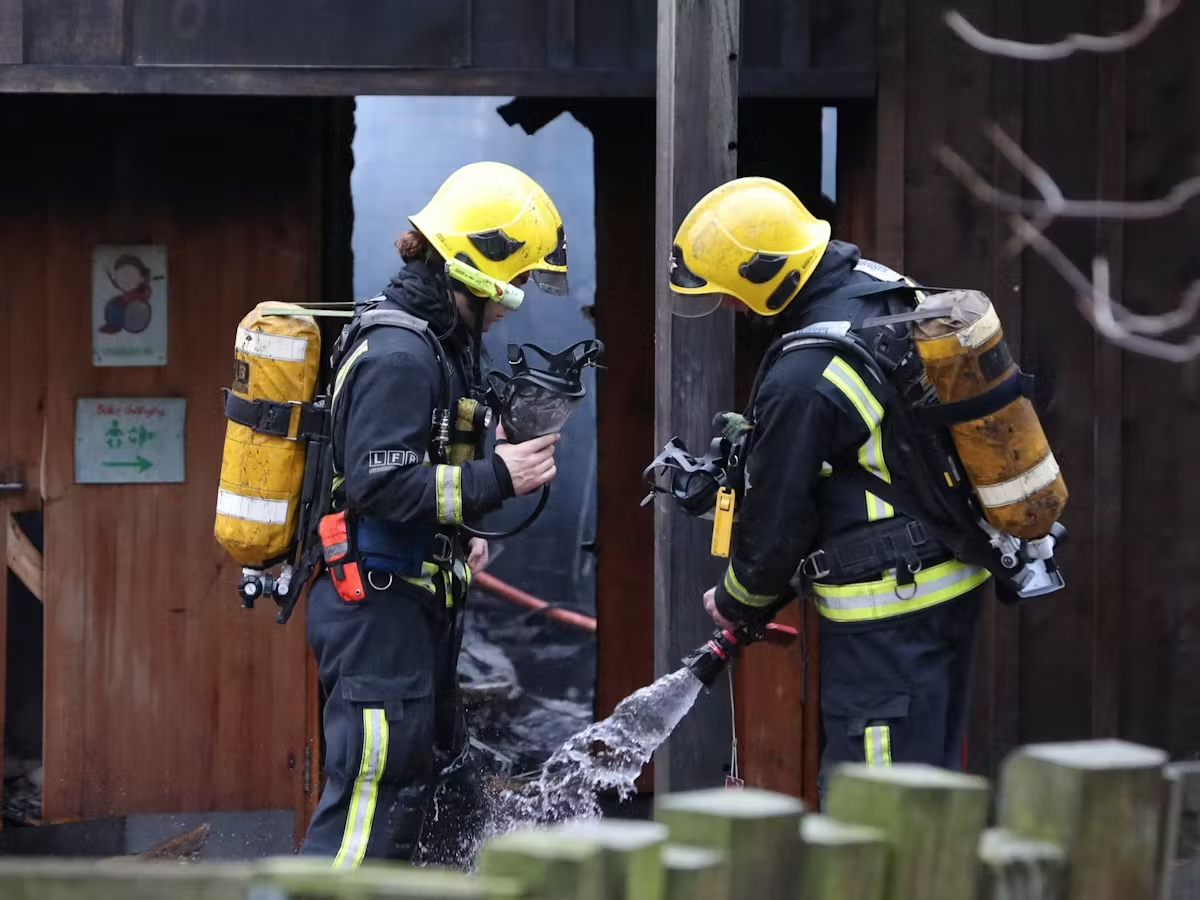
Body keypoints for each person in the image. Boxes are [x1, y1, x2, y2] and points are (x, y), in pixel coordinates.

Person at [666, 176, 991, 805]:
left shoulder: (806, 371)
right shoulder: (878, 289)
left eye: (732, 292)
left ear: (767, 276)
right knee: (931, 776)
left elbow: (775, 521)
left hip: (887, 613)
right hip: (951, 578)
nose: (729, 306)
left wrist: (737, 602)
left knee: (874, 794)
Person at [300, 161, 569, 865]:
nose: (513, 305)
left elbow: (417, 471)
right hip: (375, 614)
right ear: (478, 268)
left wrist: (460, 531)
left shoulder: (436, 343)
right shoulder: (400, 354)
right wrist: (496, 478)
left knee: (411, 798)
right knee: (368, 802)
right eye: (512, 283)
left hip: (404, 607)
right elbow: (380, 486)